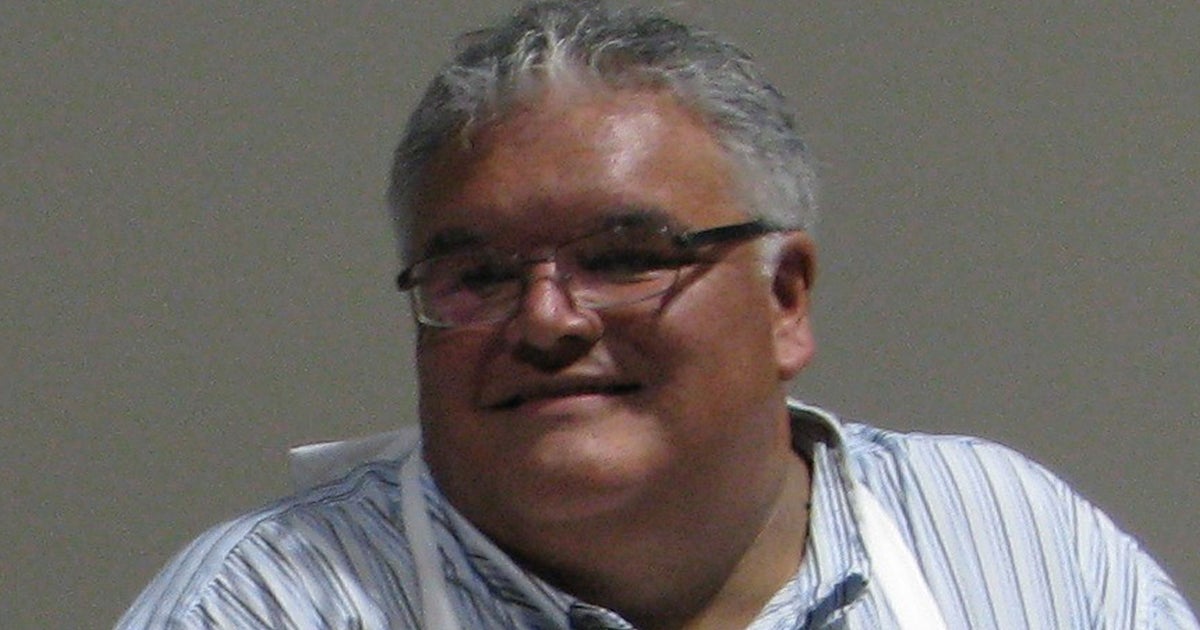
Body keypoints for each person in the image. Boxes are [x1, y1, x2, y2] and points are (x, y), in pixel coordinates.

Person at [117, 1, 1197, 628]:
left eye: (625, 257)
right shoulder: (271, 605)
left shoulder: (1002, 542)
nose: (547, 320)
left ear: (784, 298)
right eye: (477, 275)